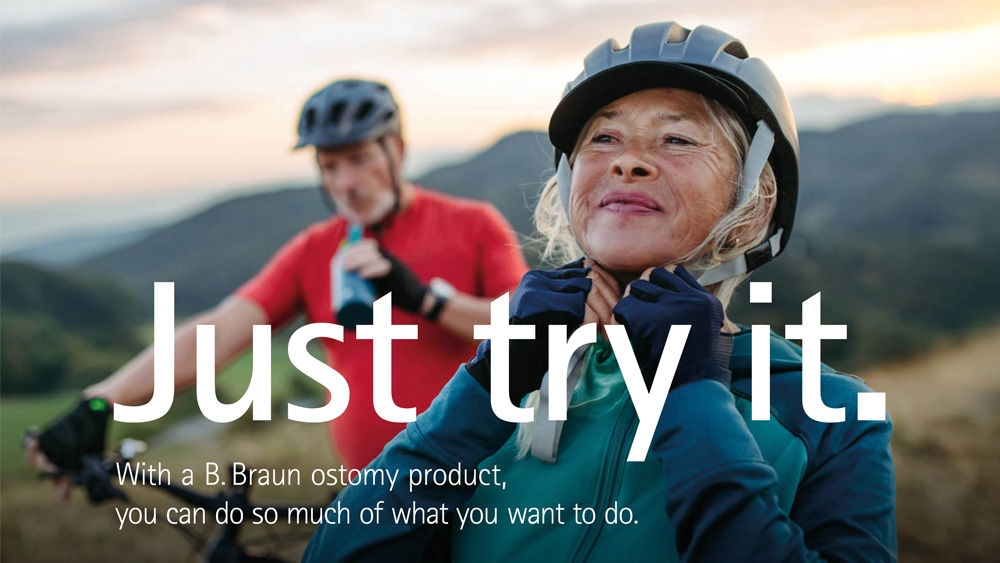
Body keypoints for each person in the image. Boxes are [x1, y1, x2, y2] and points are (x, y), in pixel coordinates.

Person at [302, 22, 897, 562]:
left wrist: (690, 393)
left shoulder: (833, 418)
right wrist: (490, 382)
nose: (629, 162)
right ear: (570, 184)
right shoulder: (511, 394)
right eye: (604, 139)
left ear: (752, 203)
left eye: (679, 140)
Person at [25, 78, 530, 489]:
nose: (345, 183)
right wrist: (100, 401)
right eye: (330, 166)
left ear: (395, 150)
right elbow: (218, 332)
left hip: (479, 482)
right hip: (372, 494)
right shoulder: (316, 249)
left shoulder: (473, 223)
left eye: (358, 159)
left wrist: (424, 297)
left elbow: (523, 326)